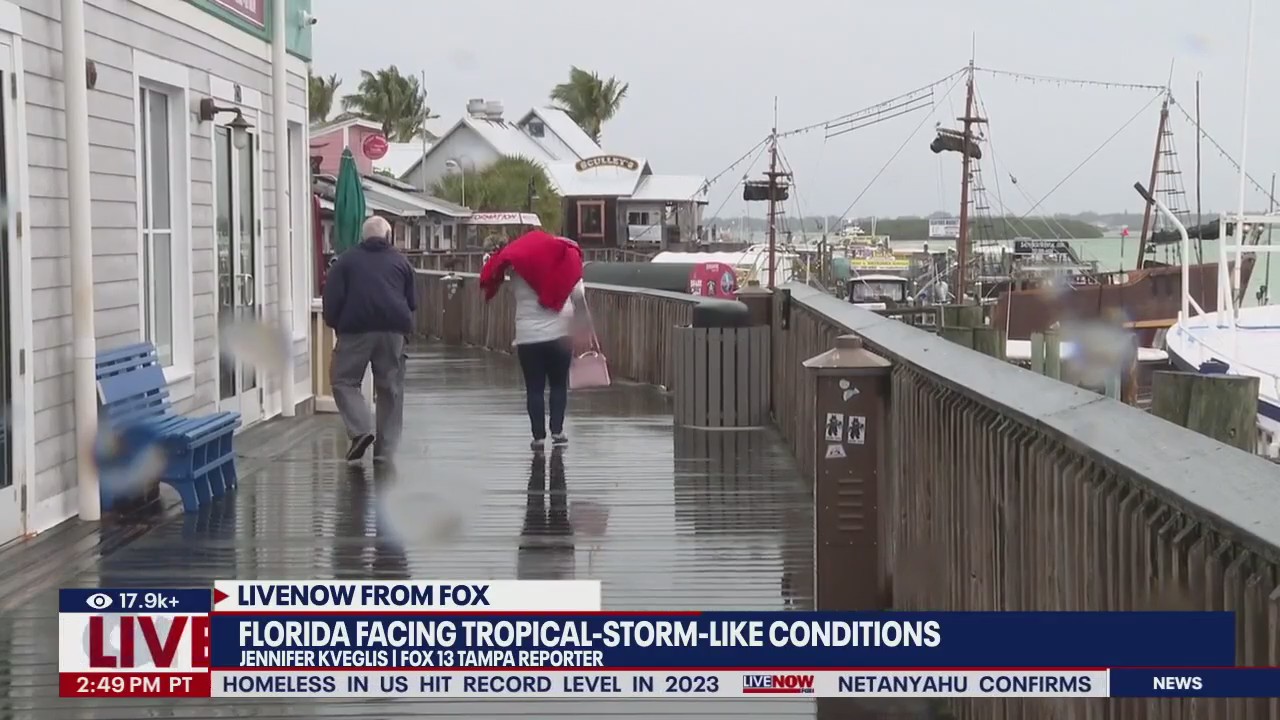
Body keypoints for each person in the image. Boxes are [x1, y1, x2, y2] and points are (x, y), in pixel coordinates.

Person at [479, 230, 590, 450]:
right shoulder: (565, 268)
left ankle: (538, 436)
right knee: (559, 385)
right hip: (560, 335)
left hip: (528, 337)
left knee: (534, 388)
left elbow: (500, 272)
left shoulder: (518, 273)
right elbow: (579, 296)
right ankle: (557, 431)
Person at [322, 216, 417, 463]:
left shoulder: (345, 262)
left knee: (343, 380)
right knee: (390, 388)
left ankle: (361, 430)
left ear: (362, 237)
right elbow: (412, 301)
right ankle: (385, 452)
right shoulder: (401, 262)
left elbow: (331, 299)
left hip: (355, 330)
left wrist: (335, 324)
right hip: (393, 331)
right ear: (388, 237)